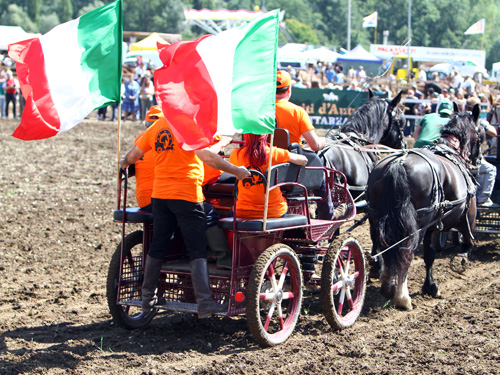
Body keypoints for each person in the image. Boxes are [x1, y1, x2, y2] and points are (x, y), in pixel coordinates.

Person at [119, 112, 250, 318]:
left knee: (158, 244)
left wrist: (124, 162)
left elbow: (134, 155)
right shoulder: (190, 126)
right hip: (187, 195)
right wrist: (236, 170)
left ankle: (147, 299)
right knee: (196, 248)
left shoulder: (158, 126)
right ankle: (205, 301)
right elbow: (206, 156)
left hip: (160, 195)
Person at [274, 70, 334, 220]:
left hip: (266, 162)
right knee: (322, 174)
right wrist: (322, 142)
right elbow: (314, 145)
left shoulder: (261, 111)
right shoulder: (297, 112)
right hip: (290, 167)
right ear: (288, 90)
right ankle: (327, 216)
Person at [229, 133, 307, 218]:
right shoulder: (274, 153)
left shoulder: (235, 155)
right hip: (274, 211)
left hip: (242, 211)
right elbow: (304, 160)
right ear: (265, 136)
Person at [466, 97, 498, 207]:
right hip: (472, 160)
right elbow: (494, 132)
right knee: (491, 169)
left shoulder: (459, 119)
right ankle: (483, 199)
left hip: (459, 157)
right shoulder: (479, 121)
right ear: (478, 108)